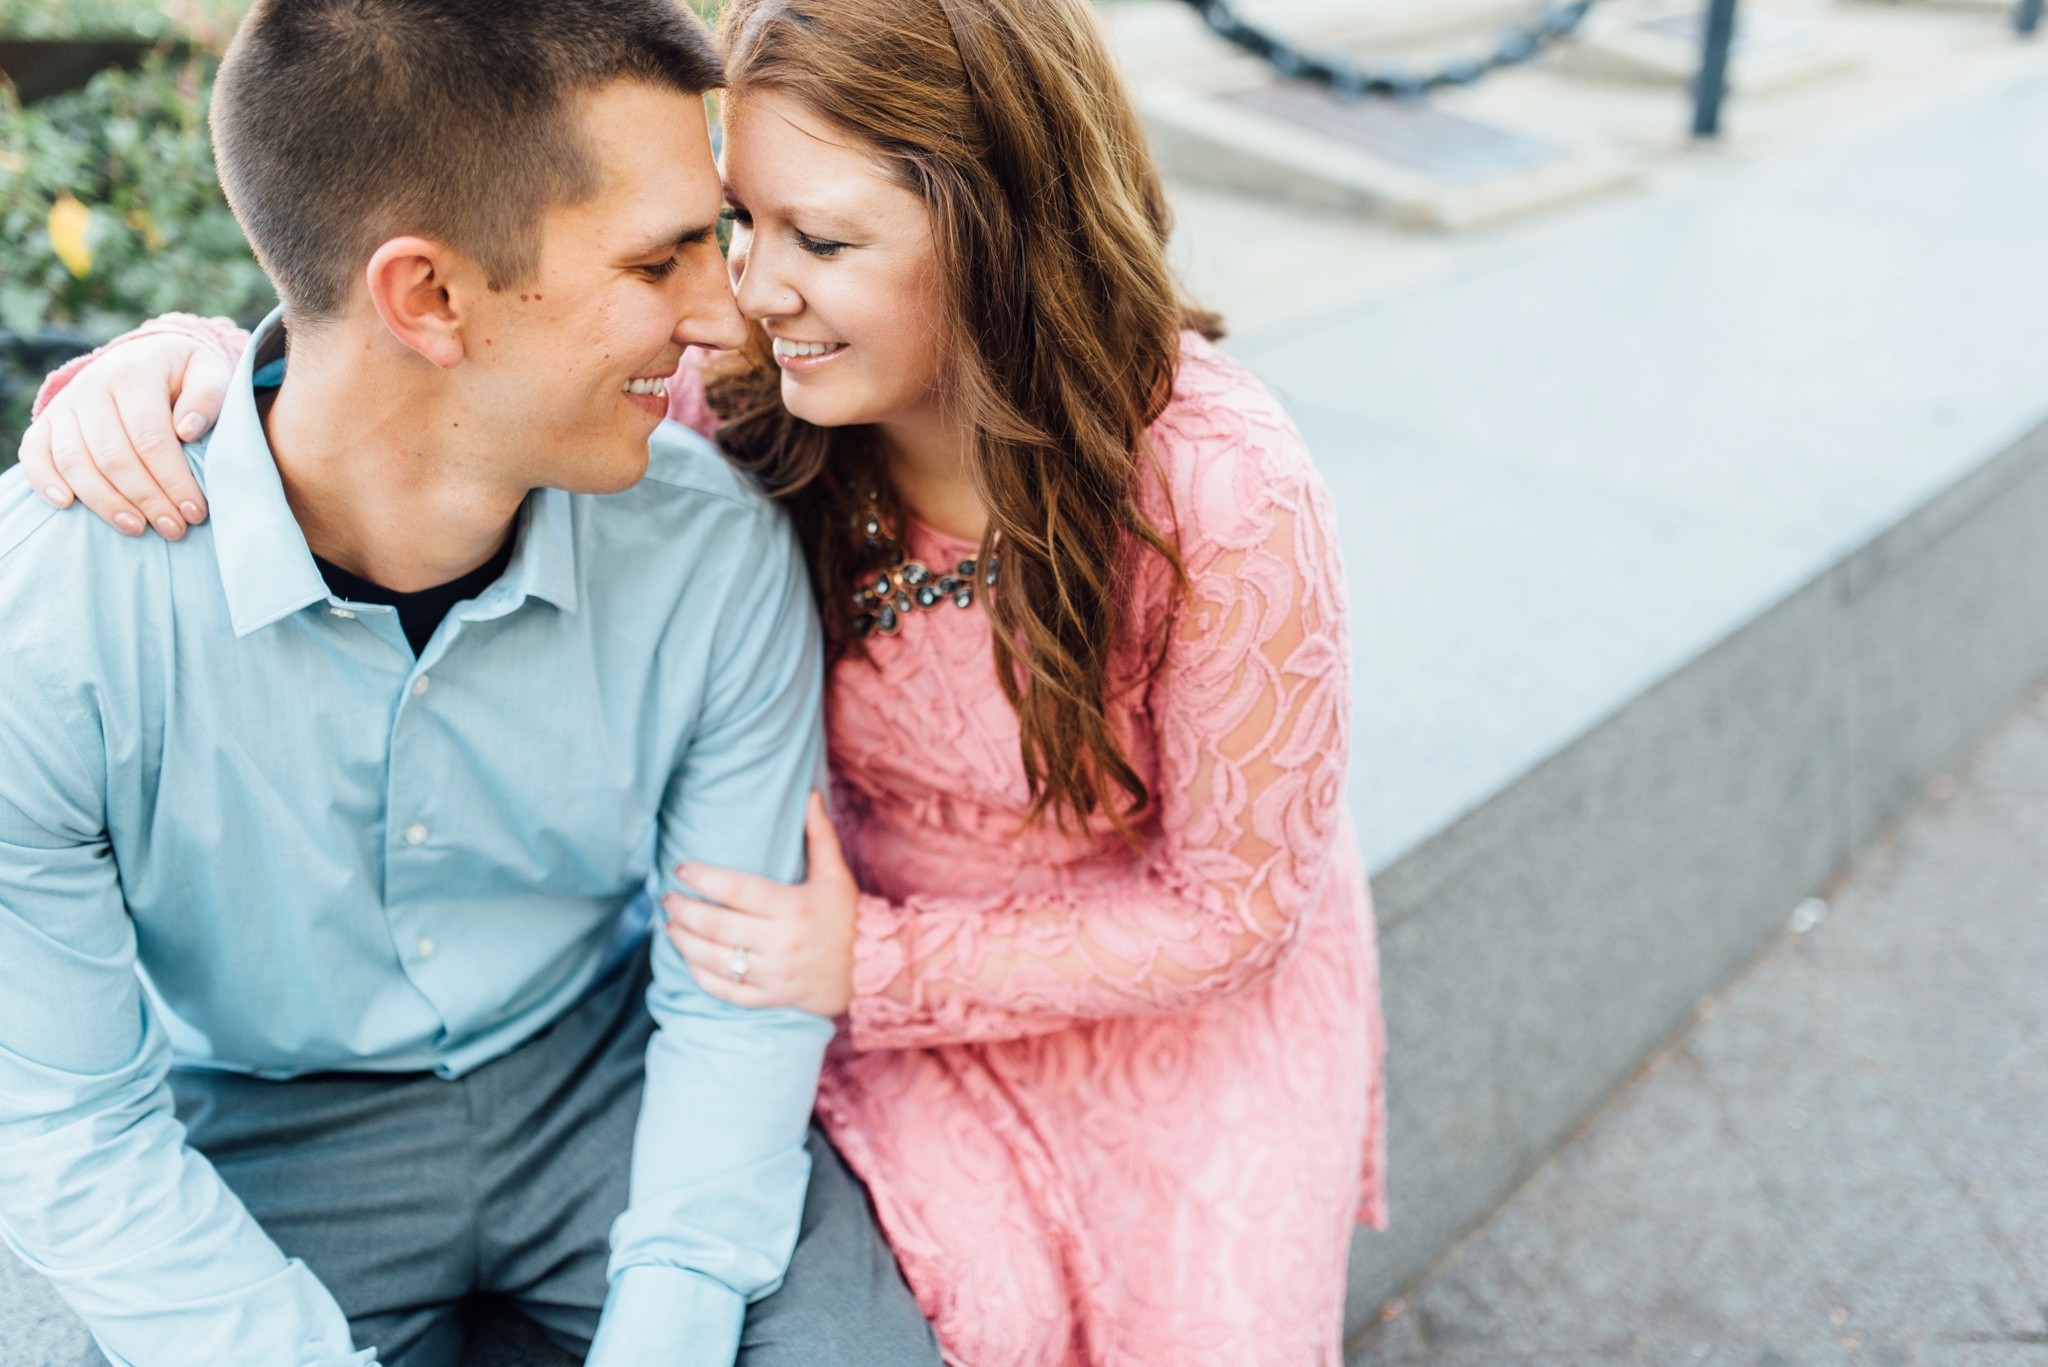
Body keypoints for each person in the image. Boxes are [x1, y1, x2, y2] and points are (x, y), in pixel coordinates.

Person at [22, 0, 1389, 1361]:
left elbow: (1232, 903)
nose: (735, 301)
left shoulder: (1211, 490)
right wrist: (184, 370)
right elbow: (385, 366)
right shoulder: (737, 403)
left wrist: (867, 964)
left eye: (817, 239)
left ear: (996, 236)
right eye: (721, 231)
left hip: (1046, 985)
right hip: (794, 977)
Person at [0, 1, 942, 1365]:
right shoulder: (51, 621)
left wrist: (671, 1320)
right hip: (269, 1127)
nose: (727, 315)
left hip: (606, 1078)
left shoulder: (713, 544)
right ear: (426, 298)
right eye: (662, 257)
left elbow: (737, 984)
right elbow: (70, 1120)